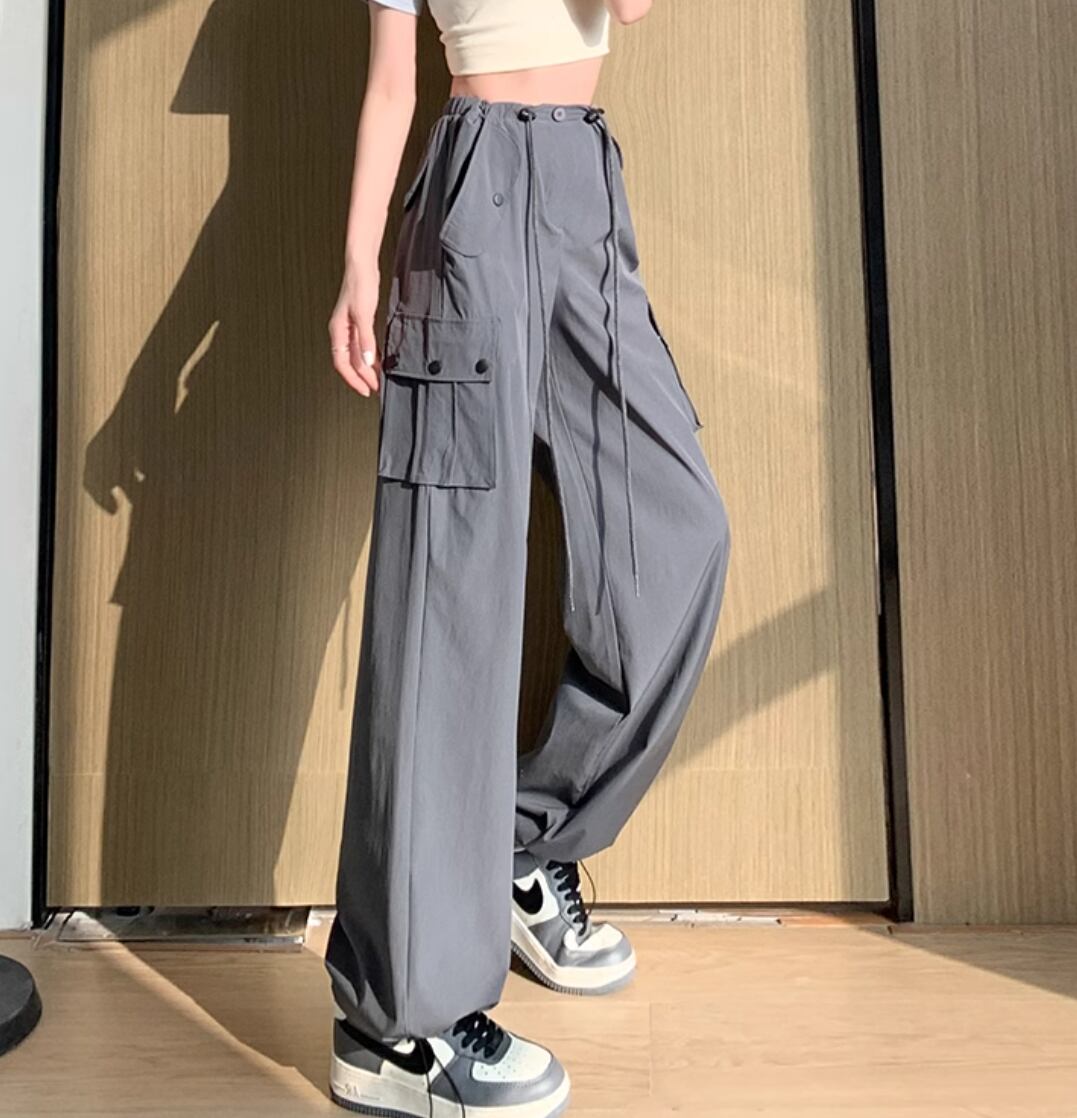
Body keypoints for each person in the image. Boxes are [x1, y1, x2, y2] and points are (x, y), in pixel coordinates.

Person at [324, 0, 732, 1113]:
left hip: (582, 185)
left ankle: (514, 846)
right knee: (447, 598)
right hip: (472, 189)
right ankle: (395, 1021)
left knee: (676, 535)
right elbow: (392, 82)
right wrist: (358, 261)